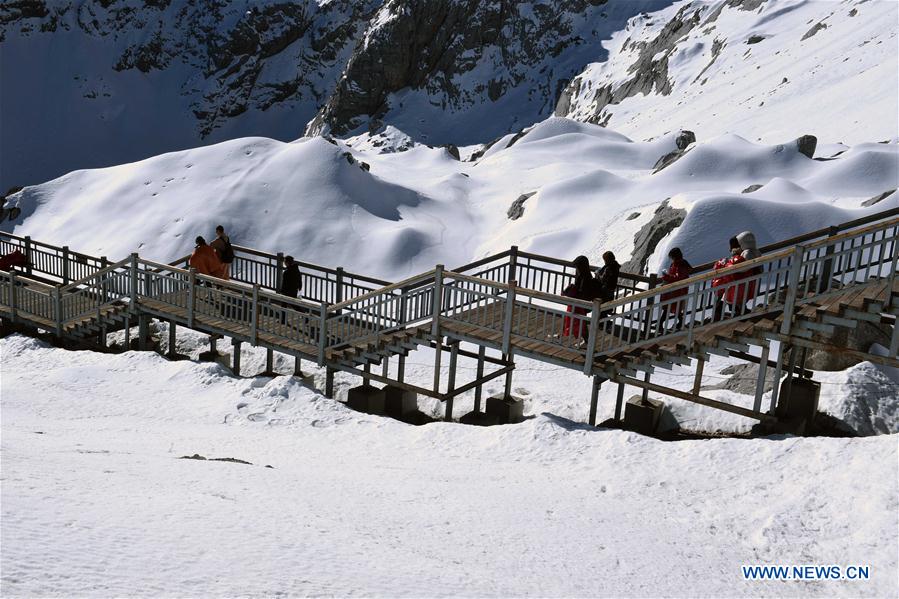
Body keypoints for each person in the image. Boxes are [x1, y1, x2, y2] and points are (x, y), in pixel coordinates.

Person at [561, 255, 597, 342]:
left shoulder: (585, 277)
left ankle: (586, 340)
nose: (576, 269)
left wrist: (572, 290)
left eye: (577, 266)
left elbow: (583, 292)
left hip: (581, 304)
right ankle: (584, 340)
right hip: (578, 303)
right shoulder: (583, 275)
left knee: (580, 322)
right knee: (577, 321)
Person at [658, 247, 692, 331]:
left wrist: (667, 277)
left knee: (671, 307)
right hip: (675, 290)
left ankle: (661, 325)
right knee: (672, 307)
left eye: (672, 257)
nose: (671, 259)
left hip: (678, 290)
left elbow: (678, 278)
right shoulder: (677, 263)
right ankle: (678, 322)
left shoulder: (681, 265)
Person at [711, 236, 744, 321]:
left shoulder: (737, 255)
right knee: (729, 298)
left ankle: (717, 316)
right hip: (737, 282)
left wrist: (724, 263)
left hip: (732, 282)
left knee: (724, 298)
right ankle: (739, 311)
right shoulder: (743, 253)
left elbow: (732, 267)